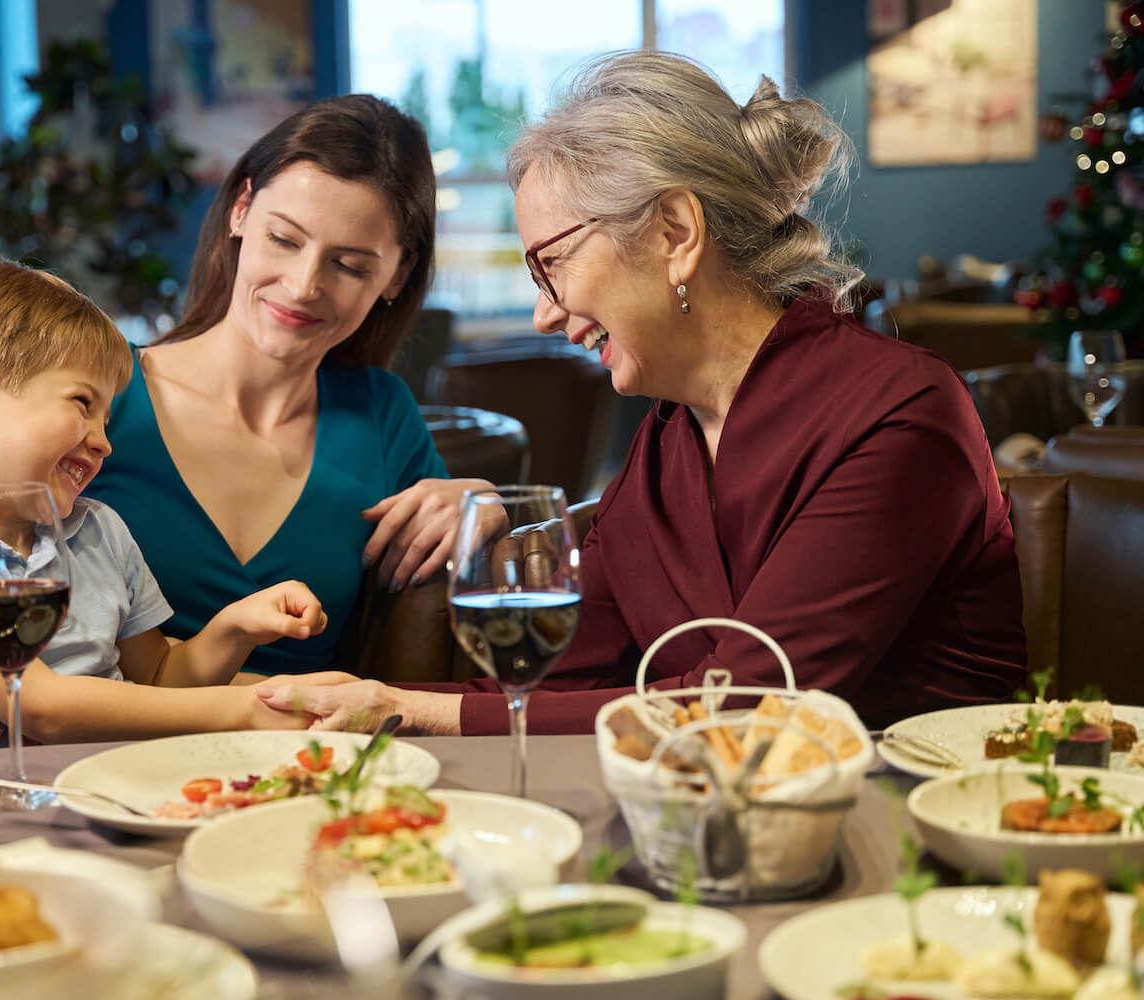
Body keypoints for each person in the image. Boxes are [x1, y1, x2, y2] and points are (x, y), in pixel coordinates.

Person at [256, 51, 1027, 734]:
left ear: (675, 233)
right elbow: (548, 679)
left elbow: (755, 707)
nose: (544, 312)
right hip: (707, 833)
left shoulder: (900, 412)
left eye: (550, 264)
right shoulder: (669, 441)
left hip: (909, 843)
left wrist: (410, 708)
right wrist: (357, 694)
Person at [85, 94, 494, 678]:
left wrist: (482, 507)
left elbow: (474, 590)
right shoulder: (103, 390)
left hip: (301, 764)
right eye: (284, 239)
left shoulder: (381, 414)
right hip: (104, 756)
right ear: (241, 210)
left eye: (350, 266)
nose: (304, 286)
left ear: (397, 276)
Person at [0, 248, 328, 742]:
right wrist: (246, 709)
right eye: (83, 403)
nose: (105, 441)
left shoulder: (98, 530)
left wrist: (234, 627)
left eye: (105, 416)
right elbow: (42, 708)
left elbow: (160, 679)